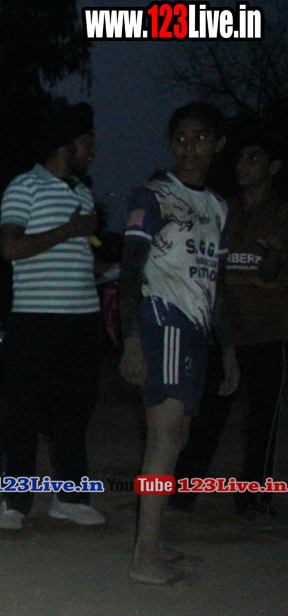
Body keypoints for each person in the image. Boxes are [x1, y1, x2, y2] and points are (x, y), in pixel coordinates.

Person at [120, 102, 240, 585]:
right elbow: (130, 273)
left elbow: (218, 284)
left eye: (201, 138)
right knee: (165, 434)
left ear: (218, 144)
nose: (189, 148)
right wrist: (132, 340)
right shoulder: (153, 196)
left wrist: (227, 349)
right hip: (162, 318)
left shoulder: (219, 207)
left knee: (179, 437)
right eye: (181, 138)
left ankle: (154, 541)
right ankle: (144, 555)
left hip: (196, 327)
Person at [0, 103, 107, 529]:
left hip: (82, 319)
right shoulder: (24, 186)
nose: (93, 150)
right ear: (66, 144)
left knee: (74, 413)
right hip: (34, 319)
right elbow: (9, 247)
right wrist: (68, 231)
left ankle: (71, 496)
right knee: (22, 414)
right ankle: (14, 502)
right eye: (88, 141)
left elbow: (77, 256)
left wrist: (114, 269)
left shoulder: (82, 192)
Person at [170, 131, 287, 524]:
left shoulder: (283, 215)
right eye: (240, 158)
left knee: (262, 422)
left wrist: (273, 255)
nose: (243, 165)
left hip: (269, 333)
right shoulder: (222, 209)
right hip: (222, 334)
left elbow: (271, 275)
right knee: (206, 416)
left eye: (254, 158)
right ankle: (181, 492)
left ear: (274, 167)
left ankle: (255, 499)